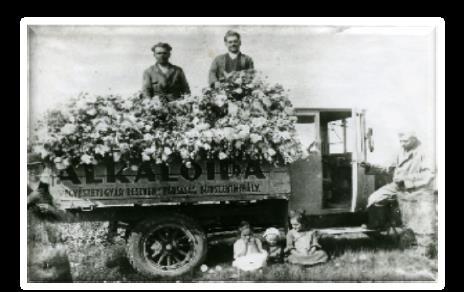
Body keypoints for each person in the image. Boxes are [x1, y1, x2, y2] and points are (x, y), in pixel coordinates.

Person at [361, 130, 436, 256]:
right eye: (400, 141)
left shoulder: (425, 152)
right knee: (375, 198)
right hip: (397, 186)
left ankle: (422, 247)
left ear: (414, 139)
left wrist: (407, 180)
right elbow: (388, 166)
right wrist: (370, 166)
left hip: (417, 188)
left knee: (418, 220)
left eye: (405, 141)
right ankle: (377, 226)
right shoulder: (400, 150)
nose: (402, 144)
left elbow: (429, 175)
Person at [27, 153, 72, 282]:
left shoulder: (51, 187)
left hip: (52, 239)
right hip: (31, 239)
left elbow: (64, 215)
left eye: (36, 167)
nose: (33, 171)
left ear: (42, 167)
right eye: (29, 168)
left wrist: (50, 208)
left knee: (61, 277)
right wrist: (30, 198)